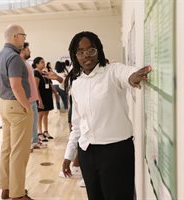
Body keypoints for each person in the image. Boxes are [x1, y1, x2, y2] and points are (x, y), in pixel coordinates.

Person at [61, 31, 152, 200]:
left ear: (99, 50)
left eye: (91, 50)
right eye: (80, 52)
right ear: (75, 56)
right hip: (87, 153)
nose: (86, 56)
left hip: (116, 152)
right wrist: (69, 155)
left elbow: (127, 74)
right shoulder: (77, 84)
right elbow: (77, 125)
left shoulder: (112, 71)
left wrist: (133, 77)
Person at [0, 24, 34, 200]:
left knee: (7, 149)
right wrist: (26, 105)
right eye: (23, 35)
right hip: (17, 107)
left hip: (4, 104)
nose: (24, 39)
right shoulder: (14, 57)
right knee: (19, 151)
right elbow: (16, 85)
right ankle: (17, 194)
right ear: (15, 36)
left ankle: (7, 188)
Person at [20, 42, 46, 150]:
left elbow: (32, 84)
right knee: (28, 123)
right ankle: (28, 143)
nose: (29, 51)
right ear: (22, 50)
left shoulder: (26, 64)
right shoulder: (19, 64)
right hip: (27, 100)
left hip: (33, 99)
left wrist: (37, 98)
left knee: (33, 122)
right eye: (27, 50)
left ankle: (34, 141)